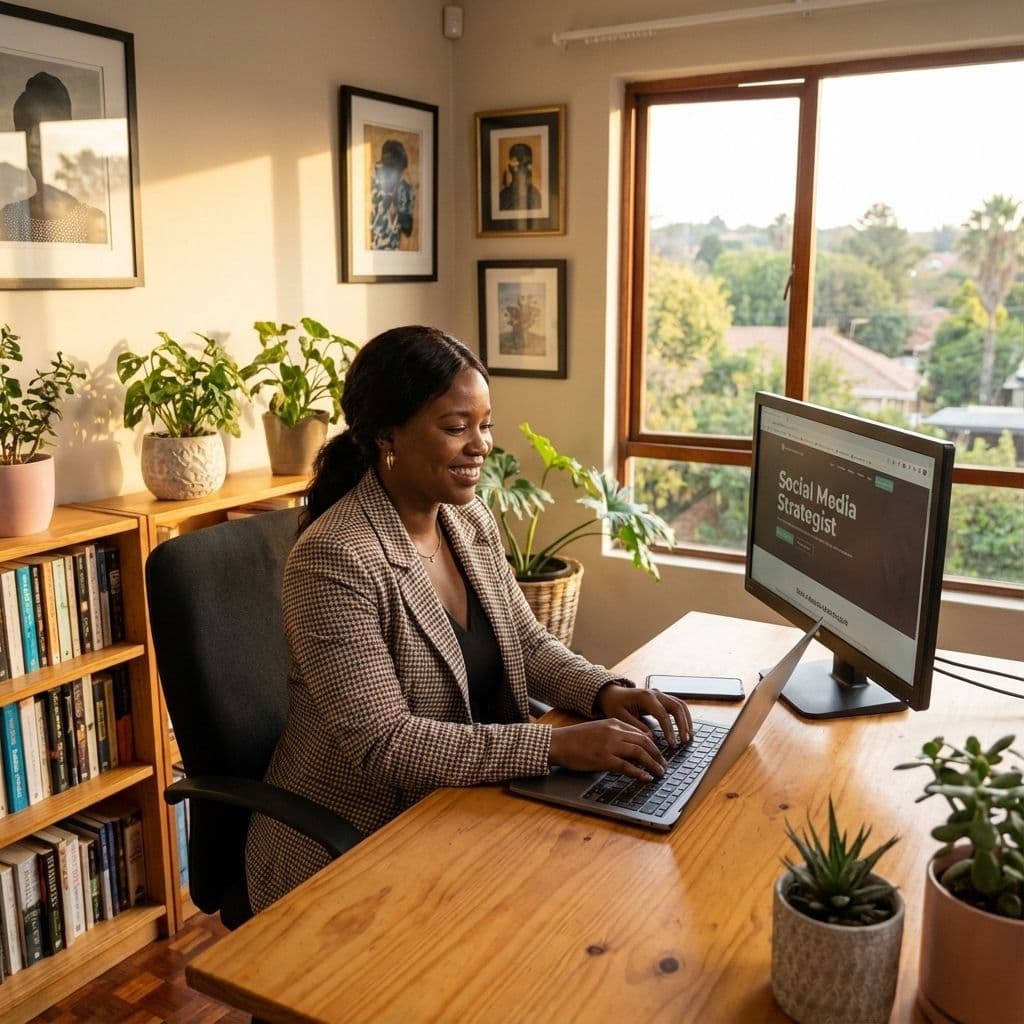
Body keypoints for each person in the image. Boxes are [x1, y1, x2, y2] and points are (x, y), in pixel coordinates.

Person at [245, 325, 692, 912]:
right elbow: (388, 745)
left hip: (462, 808)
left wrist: (604, 692)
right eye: (456, 428)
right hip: (356, 840)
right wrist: (555, 745)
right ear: (387, 435)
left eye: (485, 424)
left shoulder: (468, 516)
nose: (480, 446)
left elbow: (525, 644)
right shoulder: (337, 558)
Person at [0, 71, 107, 244]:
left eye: (44, 126)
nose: (33, 141)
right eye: (25, 129)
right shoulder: (6, 219)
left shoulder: (93, 223)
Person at [369, 138, 414, 250]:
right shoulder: (370, 183)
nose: (395, 175)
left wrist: (397, 208)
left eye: (399, 170)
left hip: (393, 254)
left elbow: (408, 230)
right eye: (388, 167)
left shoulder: (405, 188)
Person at [498, 142, 542, 211]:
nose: (522, 169)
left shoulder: (534, 195)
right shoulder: (503, 195)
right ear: (510, 167)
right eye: (516, 162)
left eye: (528, 163)